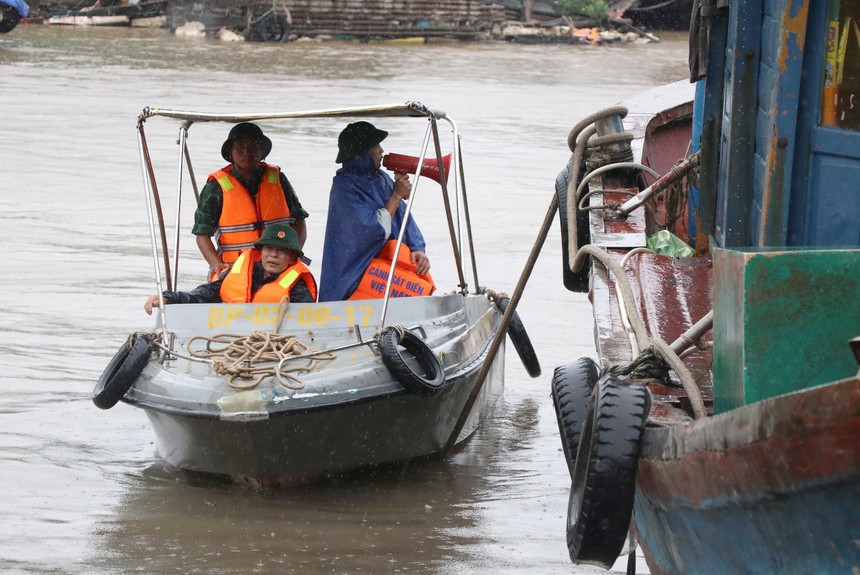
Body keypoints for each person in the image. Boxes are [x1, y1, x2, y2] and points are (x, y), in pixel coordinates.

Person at [319, 121, 433, 302]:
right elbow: (373, 231)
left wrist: (416, 247)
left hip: (385, 268)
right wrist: (396, 195)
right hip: (355, 277)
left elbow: (403, 216)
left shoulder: (381, 178)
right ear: (362, 152)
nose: (381, 151)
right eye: (376, 146)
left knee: (420, 285)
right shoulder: (344, 187)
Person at [193, 122, 308, 279]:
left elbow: (299, 220)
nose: (247, 152)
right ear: (230, 152)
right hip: (235, 271)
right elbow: (202, 235)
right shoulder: (216, 187)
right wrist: (216, 265)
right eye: (240, 147)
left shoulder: (279, 179)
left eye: (253, 146)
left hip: (278, 269)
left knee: (301, 284)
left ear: (261, 151)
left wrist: (294, 252)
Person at [145, 224, 316, 314]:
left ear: (292, 258)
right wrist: (168, 298)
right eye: (268, 249)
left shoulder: (297, 288)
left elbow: (307, 322)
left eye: (281, 252)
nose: (273, 255)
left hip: (273, 345)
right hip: (232, 341)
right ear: (260, 252)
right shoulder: (238, 275)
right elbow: (200, 296)